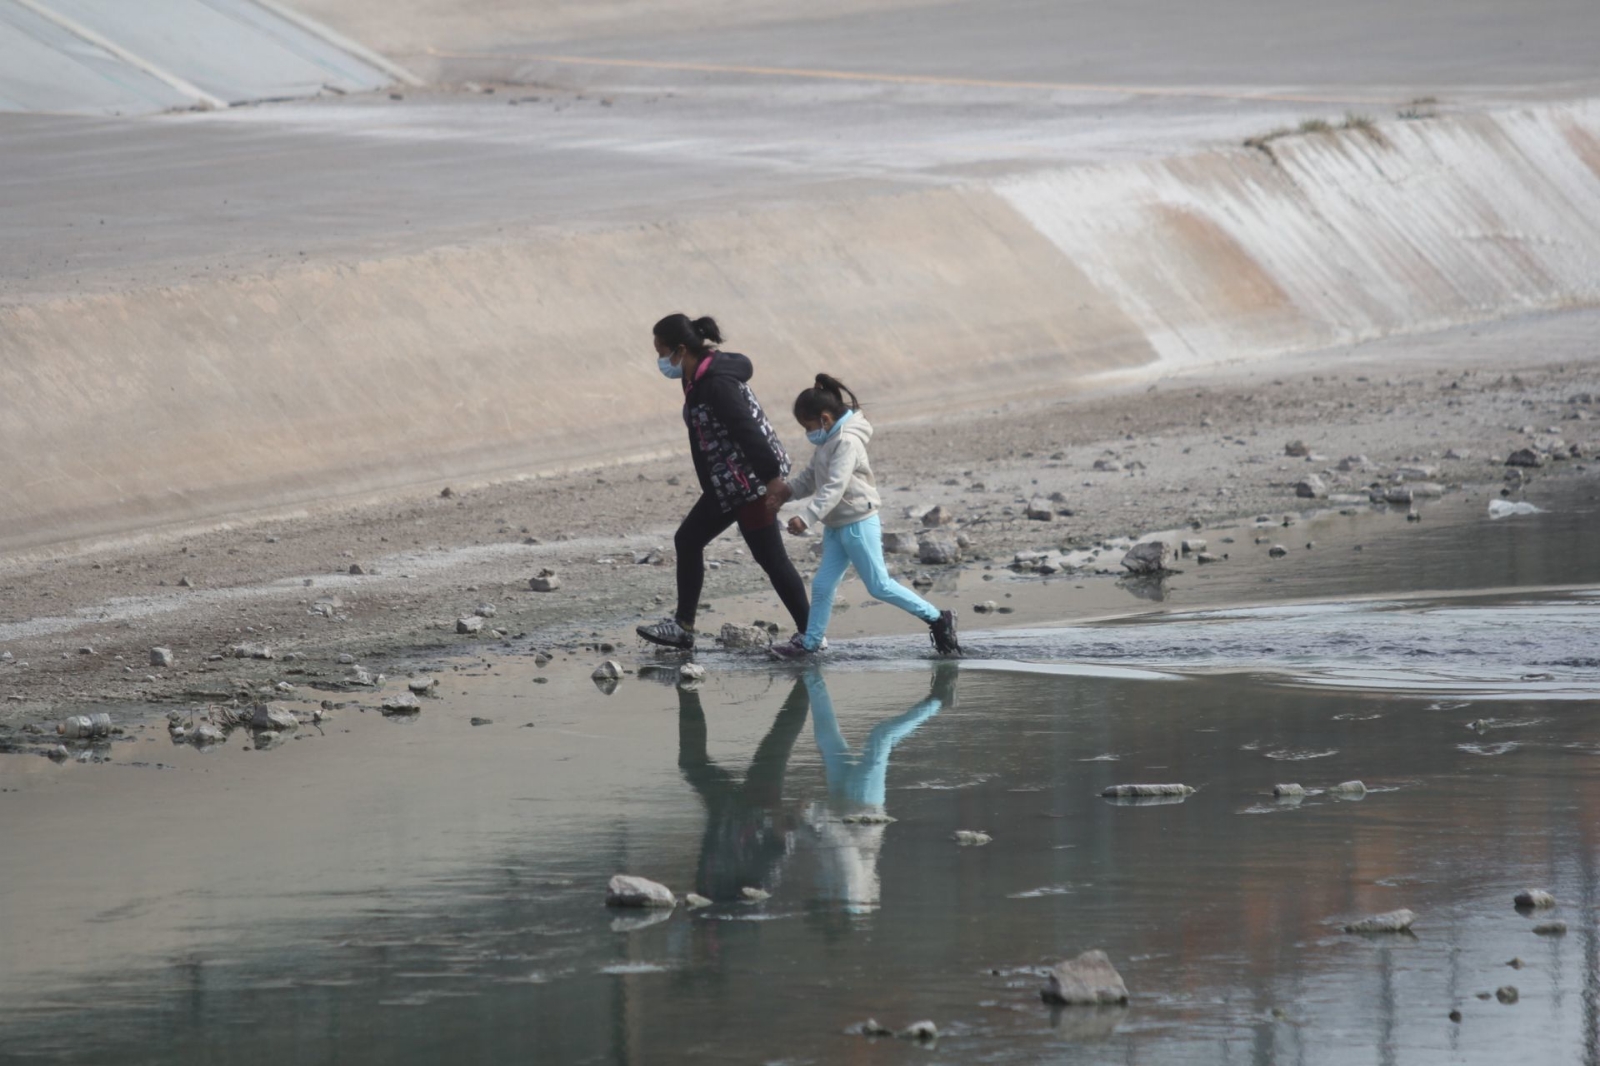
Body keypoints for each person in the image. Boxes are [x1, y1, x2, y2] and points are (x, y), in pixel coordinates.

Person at [636, 314, 810, 651]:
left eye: (661, 352)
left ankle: (812, 635)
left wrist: (772, 479)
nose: (660, 361)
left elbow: (748, 430)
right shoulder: (695, 376)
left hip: (749, 484)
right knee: (689, 540)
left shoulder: (716, 383)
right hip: (728, 485)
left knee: (769, 558)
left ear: (681, 349)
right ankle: (683, 627)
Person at [769, 374, 959, 659]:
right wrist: (787, 492)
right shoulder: (828, 440)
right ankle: (810, 643)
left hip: (858, 524)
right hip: (836, 526)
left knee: (879, 585)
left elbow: (835, 486)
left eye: (808, 426)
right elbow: (812, 477)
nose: (808, 433)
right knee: (822, 585)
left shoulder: (847, 442)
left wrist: (806, 517)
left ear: (824, 419)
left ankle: (938, 618)